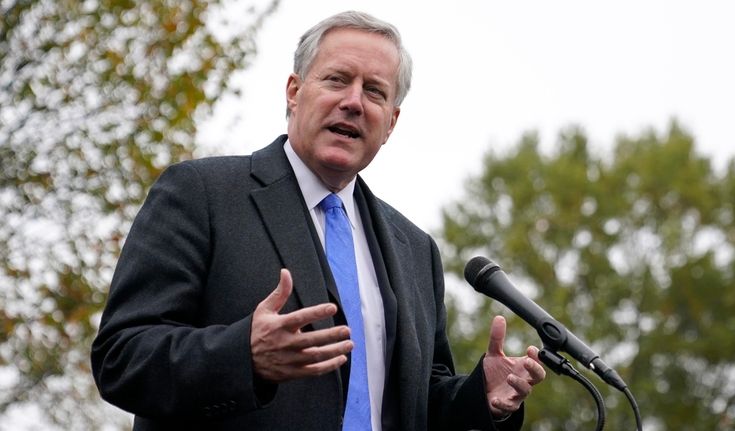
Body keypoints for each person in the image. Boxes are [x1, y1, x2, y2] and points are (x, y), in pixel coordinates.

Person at [91, 10, 545, 431]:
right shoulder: (202, 195)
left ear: (391, 123)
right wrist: (243, 356)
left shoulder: (416, 249)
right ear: (294, 91)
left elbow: (417, 401)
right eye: (337, 80)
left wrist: (478, 398)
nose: (353, 102)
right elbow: (121, 357)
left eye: (374, 92)